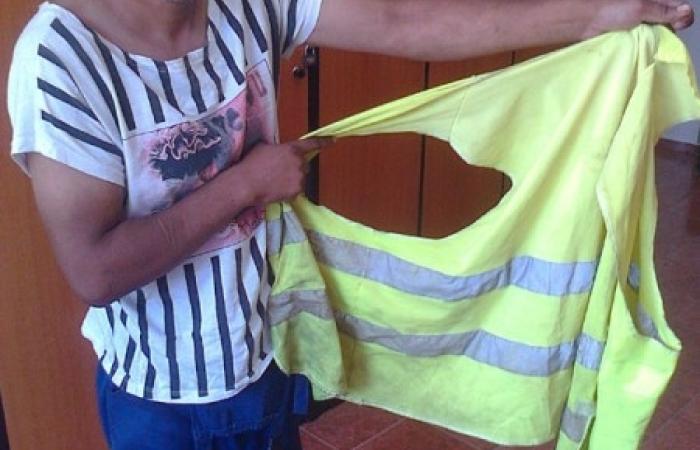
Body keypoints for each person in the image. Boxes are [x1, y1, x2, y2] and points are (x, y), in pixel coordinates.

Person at [6, 0, 694, 449]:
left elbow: (405, 22)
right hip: (161, 405)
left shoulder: (245, 5)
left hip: (268, 359)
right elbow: (96, 269)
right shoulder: (61, 60)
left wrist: (592, 16)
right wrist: (247, 182)